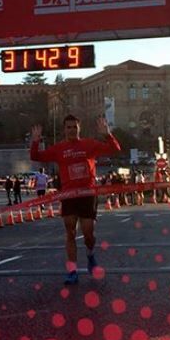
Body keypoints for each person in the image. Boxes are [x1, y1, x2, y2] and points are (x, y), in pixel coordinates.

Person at [31, 115, 121, 285]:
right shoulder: (59, 148)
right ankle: (72, 270)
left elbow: (115, 149)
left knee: (88, 234)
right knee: (70, 232)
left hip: (87, 195)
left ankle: (90, 255)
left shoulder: (89, 145)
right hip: (69, 196)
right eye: (68, 127)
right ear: (64, 130)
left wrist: (107, 134)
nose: (72, 130)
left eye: (74, 127)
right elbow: (36, 156)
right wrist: (35, 141)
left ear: (79, 128)